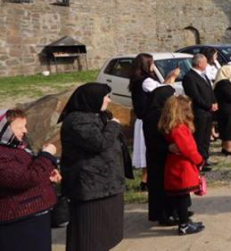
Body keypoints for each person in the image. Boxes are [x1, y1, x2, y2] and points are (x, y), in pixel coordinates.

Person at [59, 83, 126, 251]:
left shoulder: (97, 115)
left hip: (107, 184)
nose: (109, 100)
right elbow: (99, 143)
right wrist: (113, 125)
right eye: (106, 97)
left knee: (106, 233)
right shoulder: (77, 120)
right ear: (92, 98)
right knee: (90, 235)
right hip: (91, 187)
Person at [0, 109, 60, 251]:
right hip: (18, 221)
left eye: (25, 126)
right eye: (20, 127)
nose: (25, 131)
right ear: (4, 130)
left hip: (35, 214)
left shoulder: (16, 146)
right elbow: (26, 179)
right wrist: (46, 155)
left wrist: (48, 176)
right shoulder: (2, 154)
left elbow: (31, 171)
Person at [129, 54, 179, 215]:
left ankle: (146, 181)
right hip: (150, 122)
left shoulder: (139, 80)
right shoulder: (145, 81)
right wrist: (171, 78)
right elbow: (162, 94)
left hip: (146, 121)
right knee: (156, 162)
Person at [159, 95, 206, 235]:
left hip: (177, 165)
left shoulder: (173, 127)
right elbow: (188, 149)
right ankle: (184, 224)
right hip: (182, 167)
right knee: (182, 197)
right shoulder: (179, 129)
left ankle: (184, 221)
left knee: (181, 196)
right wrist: (199, 160)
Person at [182, 53, 217, 172]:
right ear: (199, 63)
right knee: (199, 137)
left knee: (206, 137)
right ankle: (198, 161)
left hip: (208, 112)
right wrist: (208, 105)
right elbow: (195, 96)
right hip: (199, 112)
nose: (207, 64)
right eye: (205, 62)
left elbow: (210, 90)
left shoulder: (203, 75)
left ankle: (205, 158)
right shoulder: (189, 77)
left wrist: (214, 102)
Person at [214, 65, 231, 155]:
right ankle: (228, 148)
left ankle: (225, 146)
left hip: (226, 108)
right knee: (228, 129)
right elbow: (230, 96)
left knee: (227, 128)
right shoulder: (224, 83)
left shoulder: (221, 83)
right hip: (228, 109)